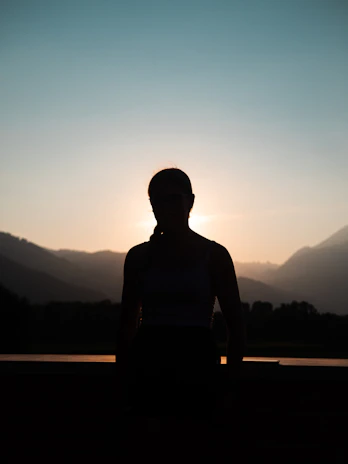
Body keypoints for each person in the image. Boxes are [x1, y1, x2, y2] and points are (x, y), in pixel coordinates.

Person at [116, 167, 244, 418]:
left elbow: (236, 327)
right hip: (148, 371)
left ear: (191, 201)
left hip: (198, 369)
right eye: (158, 201)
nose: (166, 207)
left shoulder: (215, 256)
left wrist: (230, 384)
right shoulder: (138, 257)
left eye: (173, 198)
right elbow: (126, 326)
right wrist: (123, 385)